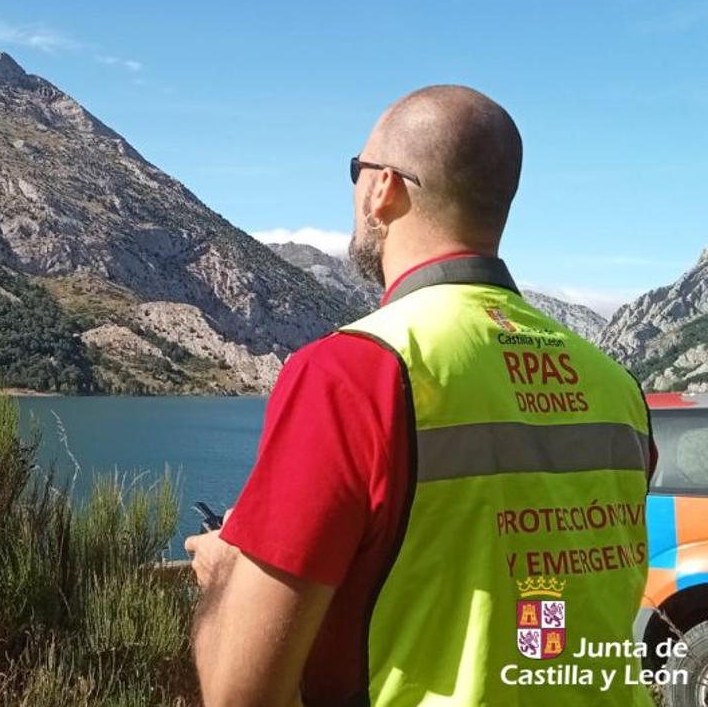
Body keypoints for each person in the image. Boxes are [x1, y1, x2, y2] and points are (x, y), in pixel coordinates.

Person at [184, 85, 655, 706]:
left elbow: (239, 693)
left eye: (357, 172)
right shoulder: (614, 383)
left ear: (383, 187)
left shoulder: (354, 371)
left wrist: (226, 575)